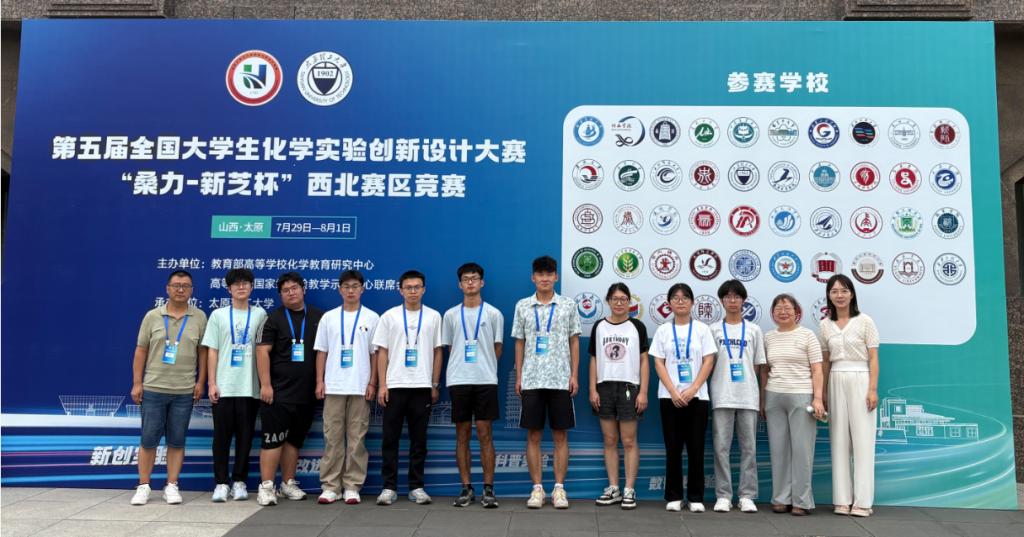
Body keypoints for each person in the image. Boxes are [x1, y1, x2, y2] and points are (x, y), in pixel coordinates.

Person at [130, 270, 208, 505]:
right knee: (148, 440)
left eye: (186, 286)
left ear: (192, 290)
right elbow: (141, 350)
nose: (180, 289)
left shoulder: (199, 317)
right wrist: (137, 383)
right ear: (167, 288)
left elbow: (203, 353)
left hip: (184, 390)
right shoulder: (153, 316)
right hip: (153, 388)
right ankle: (143, 485)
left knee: (177, 441)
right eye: (176, 285)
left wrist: (201, 382)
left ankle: (171, 485)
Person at [512, 255, 582, 509]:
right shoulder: (523, 306)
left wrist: (574, 375)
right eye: (540, 274)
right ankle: (537, 489)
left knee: (560, 436)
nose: (544, 278)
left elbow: (574, 340)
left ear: (556, 277)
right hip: (532, 379)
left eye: (549, 273)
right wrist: (519, 376)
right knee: (534, 436)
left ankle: (559, 489)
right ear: (533, 278)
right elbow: (519, 342)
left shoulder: (567, 305)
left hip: (560, 379)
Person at [373, 270, 443, 506]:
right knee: (390, 439)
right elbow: (382, 352)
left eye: (417, 287)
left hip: (422, 386)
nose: (413, 291)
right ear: (400, 290)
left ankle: (417, 487)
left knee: (419, 440)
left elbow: (437, 352)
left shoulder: (433, 316)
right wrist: (383, 384)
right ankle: (388, 487)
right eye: (408, 287)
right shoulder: (389, 316)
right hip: (394, 386)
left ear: (424, 289)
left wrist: (434, 384)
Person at [254, 272, 324, 505]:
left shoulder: (318, 317)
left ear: (304, 289)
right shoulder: (272, 319)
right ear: (280, 295)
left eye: (295, 288)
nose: (291, 293)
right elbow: (262, 352)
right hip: (277, 393)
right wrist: (265, 385)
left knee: (293, 441)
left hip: (306, 394)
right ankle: (266, 486)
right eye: (285, 290)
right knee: (273, 440)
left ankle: (288, 483)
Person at [649, 283, 717, 513]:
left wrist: (694, 388)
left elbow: (708, 360)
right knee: (673, 448)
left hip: (698, 398)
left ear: (692, 302)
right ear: (669, 303)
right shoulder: (663, 331)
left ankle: (696, 496)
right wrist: (673, 391)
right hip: (669, 398)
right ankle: (674, 495)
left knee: (696, 448)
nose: (680, 301)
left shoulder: (702, 329)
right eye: (676, 298)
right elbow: (658, 363)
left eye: (685, 297)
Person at [314, 270, 379, 505]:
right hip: (334, 386)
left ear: (362, 289)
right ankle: (331, 486)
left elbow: (375, 354)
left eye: (355, 286)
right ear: (339, 289)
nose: (351, 290)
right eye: (346, 286)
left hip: (360, 386)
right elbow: (322, 351)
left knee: (357, 438)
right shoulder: (329, 318)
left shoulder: (372, 318)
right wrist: (320, 380)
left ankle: (352, 486)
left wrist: (372, 382)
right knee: (332, 438)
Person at [442, 263, 504, 508]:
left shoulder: (494, 314)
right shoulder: (450, 315)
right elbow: (450, 347)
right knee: (462, 435)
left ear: (482, 282)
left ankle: (489, 489)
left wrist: (483, 366)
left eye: (474, 278)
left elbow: (497, 348)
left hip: (485, 380)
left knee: (485, 434)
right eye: (466, 279)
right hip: (459, 379)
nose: (470, 282)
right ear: (460, 285)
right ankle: (466, 488)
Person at [203, 268, 267, 502]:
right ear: (228, 289)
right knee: (221, 438)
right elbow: (212, 350)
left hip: (249, 387)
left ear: (252, 287)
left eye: (245, 283)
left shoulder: (260, 314)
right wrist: (212, 382)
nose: (241, 287)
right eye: (236, 284)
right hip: (224, 386)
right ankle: (221, 483)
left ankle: (239, 481)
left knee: (245, 437)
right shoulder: (218, 315)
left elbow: (264, 350)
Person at [819, 274, 880, 517]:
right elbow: (825, 361)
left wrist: (872, 389)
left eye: (844, 291)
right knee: (839, 440)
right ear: (829, 295)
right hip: (835, 378)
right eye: (834, 291)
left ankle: (863, 502)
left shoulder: (865, 321)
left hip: (861, 377)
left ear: (852, 294)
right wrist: (822, 392)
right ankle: (842, 500)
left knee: (863, 441)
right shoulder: (825, 325)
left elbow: (873, 358)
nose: (839, 295)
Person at [761, 294, 825, 516]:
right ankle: (780, 498)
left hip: (801, 396)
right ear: (772, 313)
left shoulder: (807, 335)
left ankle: (801, 501)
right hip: (774, 396)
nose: (783, 311)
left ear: (797, 311)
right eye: (778, 308)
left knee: (802, 450)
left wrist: (818, 398)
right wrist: (763, 400)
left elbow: (817, 369)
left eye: (787, 307)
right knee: (778, 450)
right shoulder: (768, 337)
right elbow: (765, 371)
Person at [589, 282, 649, 510]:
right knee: (610, 440)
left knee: (629, 441)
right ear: (608, 301)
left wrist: (643, 391)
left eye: (623, 299)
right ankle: (613, 487)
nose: (619, 303)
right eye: (615, 299)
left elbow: (644, 360)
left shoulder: (637, 326)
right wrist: (592, 389)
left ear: (629, 302)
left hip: (629, 387)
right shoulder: (599, 326)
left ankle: (629, 489)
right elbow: (594, 359)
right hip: (604, 386)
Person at [709, 280, 766, 514]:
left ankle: (747, 495)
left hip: (748, 396)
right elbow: (708, 364)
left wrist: (761, 398)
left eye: (737, 296)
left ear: (743, 300)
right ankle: (723, 495)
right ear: (722, 300)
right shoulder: (713, 330)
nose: (732, 301)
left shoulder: (754, 330)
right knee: (720, 448)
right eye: (728, 297)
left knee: (749, 449)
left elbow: (758, 366)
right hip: (721, 395)